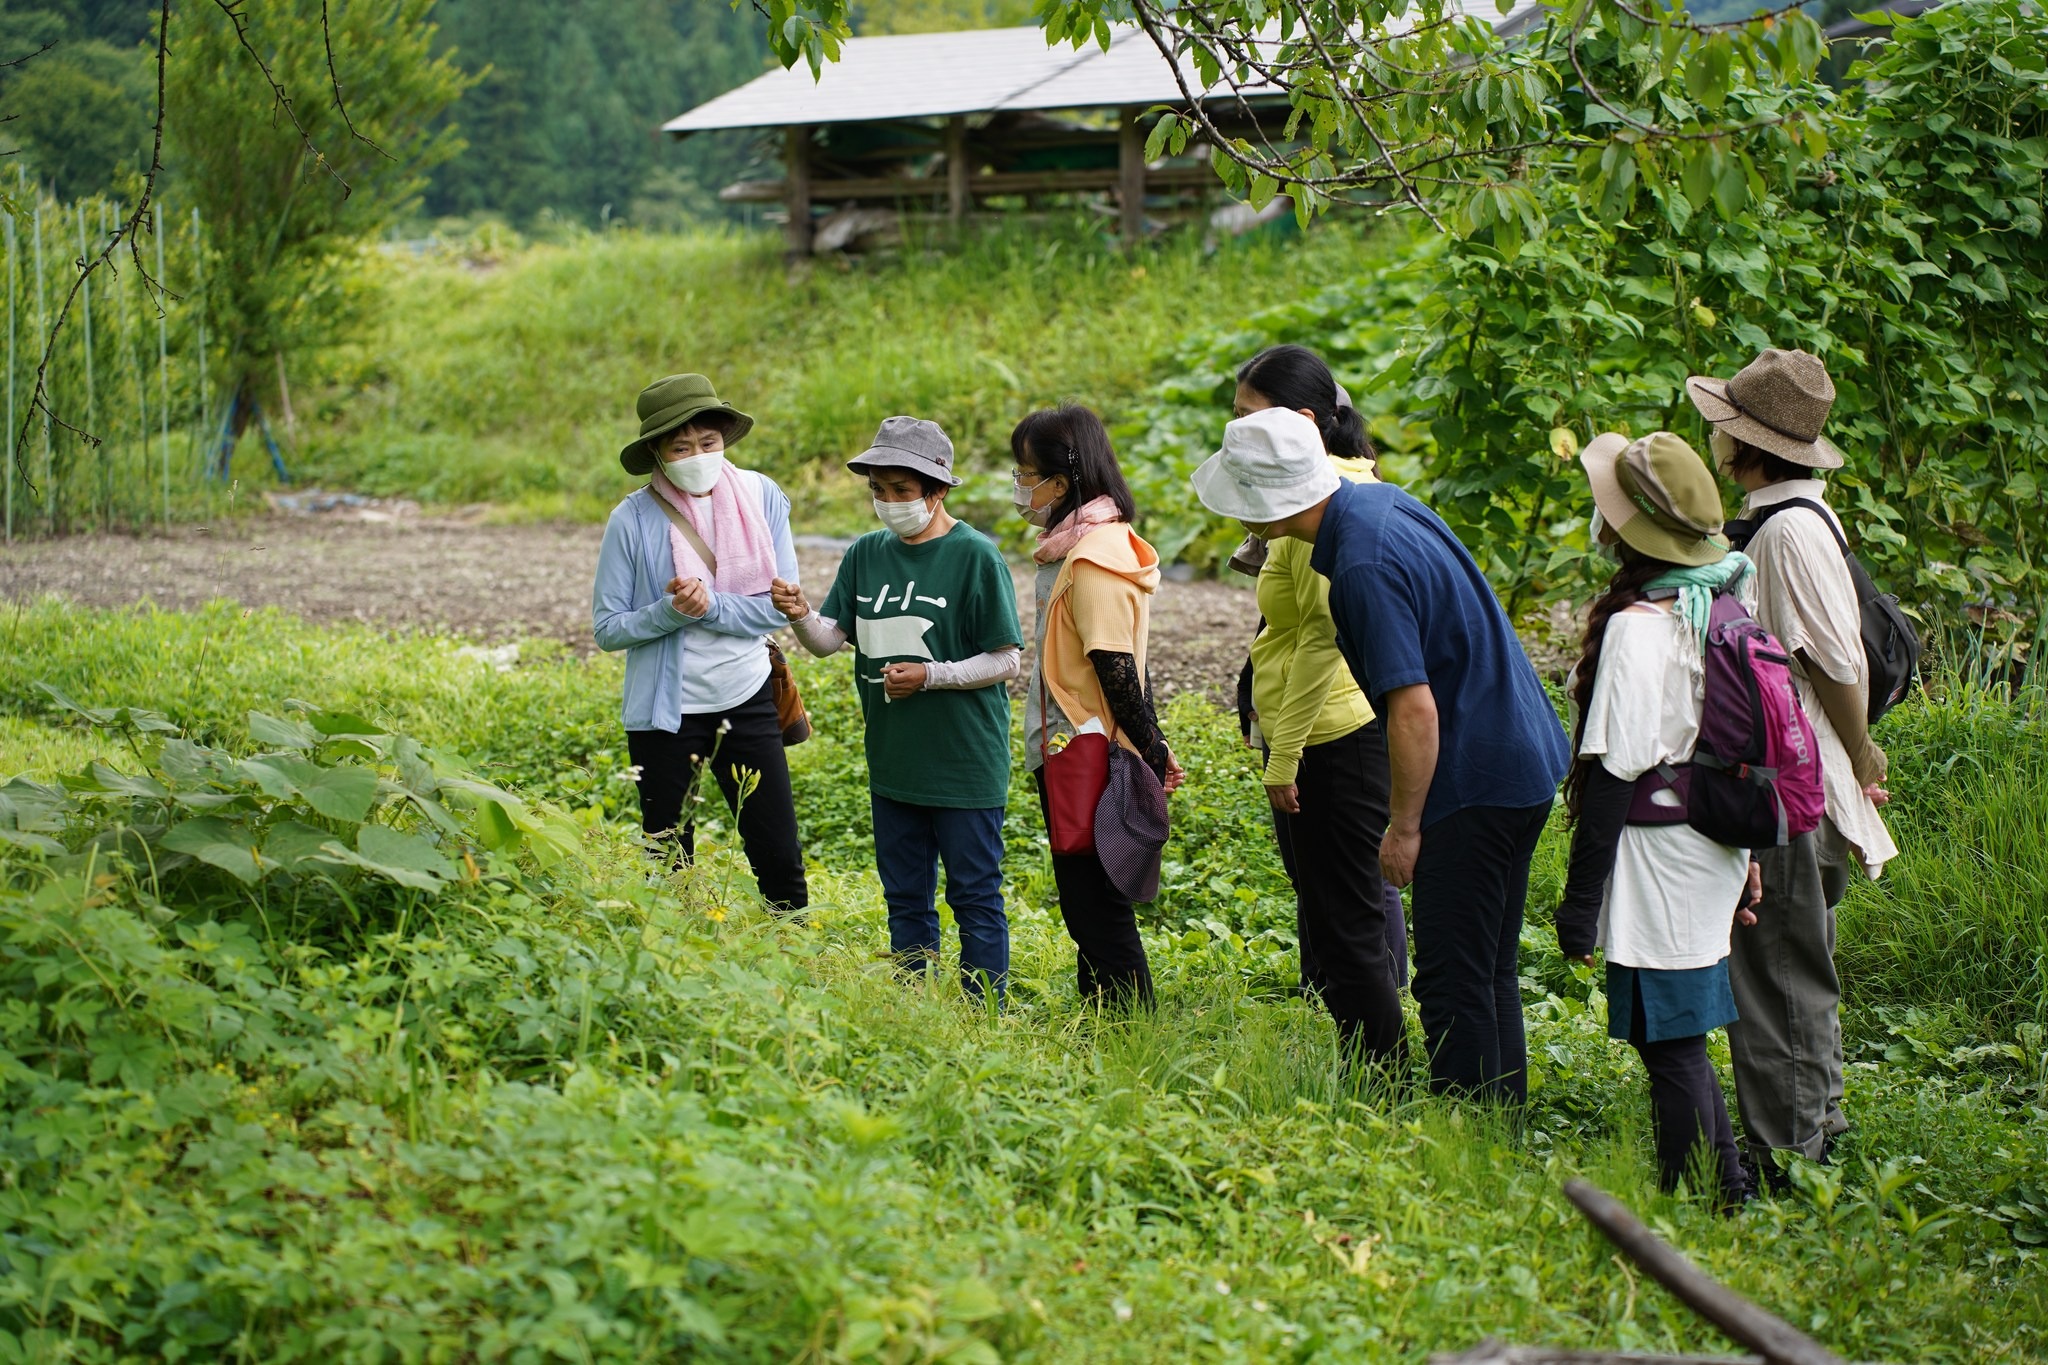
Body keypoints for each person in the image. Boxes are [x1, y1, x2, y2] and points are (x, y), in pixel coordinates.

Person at [1191, 407, 1570, 1103]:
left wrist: (1402, 827)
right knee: (1487, 968)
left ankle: (1469, 1134)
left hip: (1473, 773)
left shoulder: (1358, 564)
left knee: (1453, 974)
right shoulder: (1376, 502)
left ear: (1264, 502)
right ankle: (1498, 1126)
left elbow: (1413, 706)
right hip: (1521, 751)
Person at [1687, 347, 1897, 1180]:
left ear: (1745, 447)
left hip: (1790, 786)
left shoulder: (1785, 535)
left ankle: (1791, 1157)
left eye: (1723, 429)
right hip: (1800, 777)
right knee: (1796, 962)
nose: (1713, 441)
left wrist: (1860, 748)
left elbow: (1835, 664)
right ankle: (1820, 1127)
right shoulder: (1799, 519)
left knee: (1779, 972)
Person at [1556, 430, 1761, 1208]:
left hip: (1661, 854)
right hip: (1709, 840)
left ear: (1626, 527)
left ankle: (1709, 1198)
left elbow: (1611, 773)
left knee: (1670, 1038)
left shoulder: (1642, 628)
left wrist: (1580, 906)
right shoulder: (1719, 594)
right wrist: (1747, 857)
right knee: (1674, 1032)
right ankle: (1724, 1185)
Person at [771, 417, 1023, 1001]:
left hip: (963, 762)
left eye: (901, 491)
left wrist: (932, 676)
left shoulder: (975, 557)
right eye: (878, 491)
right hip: (893, 760)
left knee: (974, 894)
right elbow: (831, 640)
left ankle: (985, 1010)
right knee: (904, 892)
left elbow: (1006, 659)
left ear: (937, 491)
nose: (887, 503)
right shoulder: (865, 554)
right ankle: (914, 1001)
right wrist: (800, 613)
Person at [1230, 345, 1408, 1068]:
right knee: (1335, 912)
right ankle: (1366, 1057)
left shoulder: (1322, 509)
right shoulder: (1325, 493)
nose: (1235, 432)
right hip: (1319, 731)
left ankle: (1382, 1076)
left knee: (1348, 919)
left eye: (1249, 418)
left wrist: (1284, 754)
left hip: (1333, 736)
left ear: (1302, 422)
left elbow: (1318, 642)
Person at [592, 373, 807, 913]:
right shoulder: (632, 518)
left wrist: (708, 606)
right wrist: (668, 612)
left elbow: (777, 604)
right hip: (667, 712)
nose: (698, 456)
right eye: (681, 447)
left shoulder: (761, 496)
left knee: (777, 850)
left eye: (707, 443)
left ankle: (797, 955)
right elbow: (608, 628)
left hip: (748, 696)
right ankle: (673, 962)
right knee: (668, 856)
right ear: (658, 456)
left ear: (724, 440)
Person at [1013, 404, 1185, 1009]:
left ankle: (1130, 1024)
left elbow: (1116, 666)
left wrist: (1153, 746)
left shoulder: (1092, 558)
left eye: (1025, 473)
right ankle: (1101, 1017)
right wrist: (1152, 739)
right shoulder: (1088, 545)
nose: (1019, 487)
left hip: (1084, 750)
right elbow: (1130, 663)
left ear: (1060, 484)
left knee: (1094, 903)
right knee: (1089, 893)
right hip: (1084, 744)